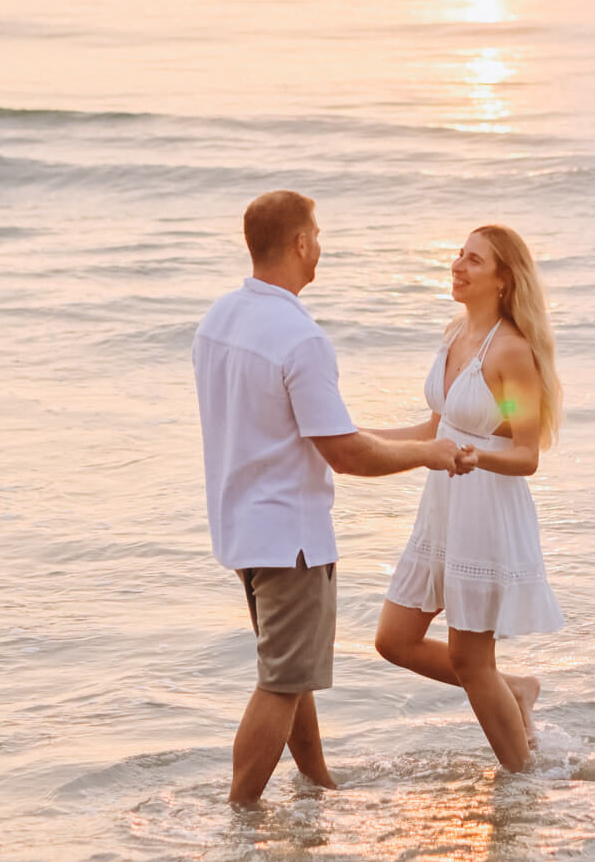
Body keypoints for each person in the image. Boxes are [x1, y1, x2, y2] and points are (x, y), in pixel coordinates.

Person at [192, 190, 469, 805]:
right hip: (291, 539)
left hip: (242, 528)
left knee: (294, 674)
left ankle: (318, 785)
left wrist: (422, 434)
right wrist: (429, 454)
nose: (320, 245)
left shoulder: (219, 319)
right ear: (299, 243)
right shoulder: (301, 338)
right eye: (316, 234)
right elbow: (344, 454)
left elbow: (310, 432)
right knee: (282, 682)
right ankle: (241, 813)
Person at [374, 224, 564, 773]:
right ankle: (516, 688)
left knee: (470, 658)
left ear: (504, 279)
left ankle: (523, 784)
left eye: (474, 260)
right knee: (395, 640)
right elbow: (434, 428)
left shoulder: (512, 353)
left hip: (485, 508)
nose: (457, 265)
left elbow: (526, 453)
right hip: (443, 503)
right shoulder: (456, 333)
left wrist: (477, 457)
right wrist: (350, 438)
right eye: (459, 255)